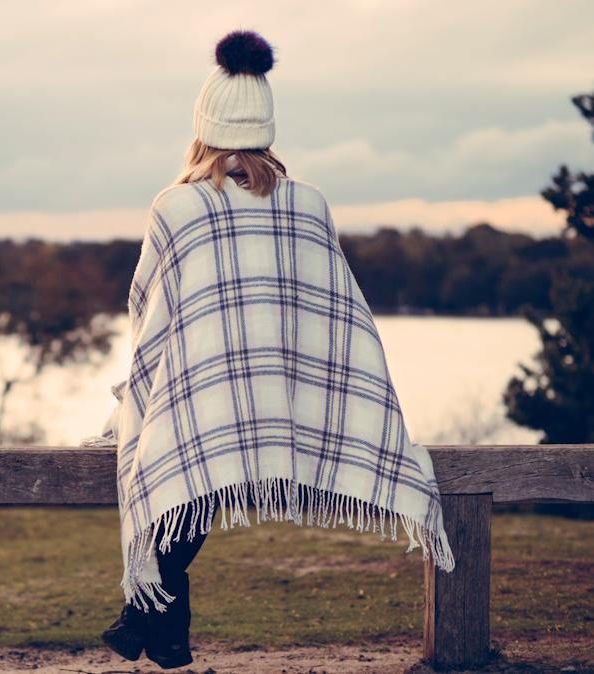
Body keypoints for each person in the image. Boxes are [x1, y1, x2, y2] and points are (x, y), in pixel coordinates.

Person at [95, 28, 455, 670]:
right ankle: (159, 623)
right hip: (280, 406)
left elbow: (147, 314)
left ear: (204, 128)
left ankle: (154, 616)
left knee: (186, 464)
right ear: (265, 131)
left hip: (202, 396)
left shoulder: (177, 208)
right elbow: (337, 320)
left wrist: (140, 396)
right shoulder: (306, 206)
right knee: (195, 470)